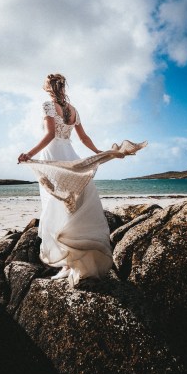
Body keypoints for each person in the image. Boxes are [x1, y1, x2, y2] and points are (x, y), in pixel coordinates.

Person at [18, 73, 144, 286]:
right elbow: (84, 138)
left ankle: (68, 264)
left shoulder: (48, 106)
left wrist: (29, 154)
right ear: (63, 86)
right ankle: (72, 263)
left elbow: (50, 135)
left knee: (57, 206)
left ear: (49, 87)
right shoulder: (73, 110)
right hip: (70, 156)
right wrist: (98, 152)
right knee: (73, 208)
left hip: (54, 158)